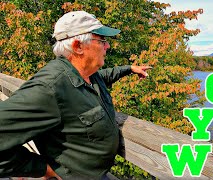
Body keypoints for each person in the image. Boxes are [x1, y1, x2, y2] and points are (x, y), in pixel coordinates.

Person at [0, 11, 151, 179]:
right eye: (102, 40)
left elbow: (106, 75)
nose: (107, 46)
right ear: (78, 46)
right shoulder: (51, 87)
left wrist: (129, 69)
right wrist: (41, 168)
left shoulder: (87, 74)